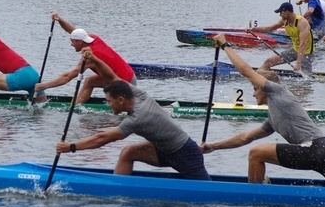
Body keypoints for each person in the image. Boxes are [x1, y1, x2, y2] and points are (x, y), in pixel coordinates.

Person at [201, 34, 325, 186]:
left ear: (265, 87)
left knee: (256, 153)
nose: (254, 93)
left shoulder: (278, 92)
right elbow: (245, 137)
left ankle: (253, 197)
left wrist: (225, 45)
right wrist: (213, 146)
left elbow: (247, 71)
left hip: (316, 149)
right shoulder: (273, 119)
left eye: (255, 89)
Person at [55, 48, 210, 179]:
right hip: (164, 149)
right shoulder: (137, 93)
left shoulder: (137, 118)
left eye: (109, 101)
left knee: (207, 192)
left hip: (185, 154)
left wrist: (71, 147)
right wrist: (94, 58)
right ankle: (118, 190)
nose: (108, 105)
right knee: (128, 152)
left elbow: (102, 139)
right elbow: (111, 77)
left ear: (121, 100)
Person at [35, 12, 136, 104]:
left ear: (80, 42)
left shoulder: (90, 57)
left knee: (112, 103)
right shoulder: (93, 38)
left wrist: (45, 86)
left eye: (72, 41)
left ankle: (76, 107)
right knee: (89, 81)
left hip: (125, 82)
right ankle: (77, 106)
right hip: (128, 75)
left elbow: (67, 77)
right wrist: (59, 20)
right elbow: (73, 31)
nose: (71, 44)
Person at [248, 1, 314, 73]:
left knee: (306, 77)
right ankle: (256, 76)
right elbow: (269, 28)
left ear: (287, 12)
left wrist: (298, 63)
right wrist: (253, 29)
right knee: (268, 62)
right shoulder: (284, 20)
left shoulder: (301, 22)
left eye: (281, 12)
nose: (280, 15)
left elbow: (303, 44)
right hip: (295, 50)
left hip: (306, 52)